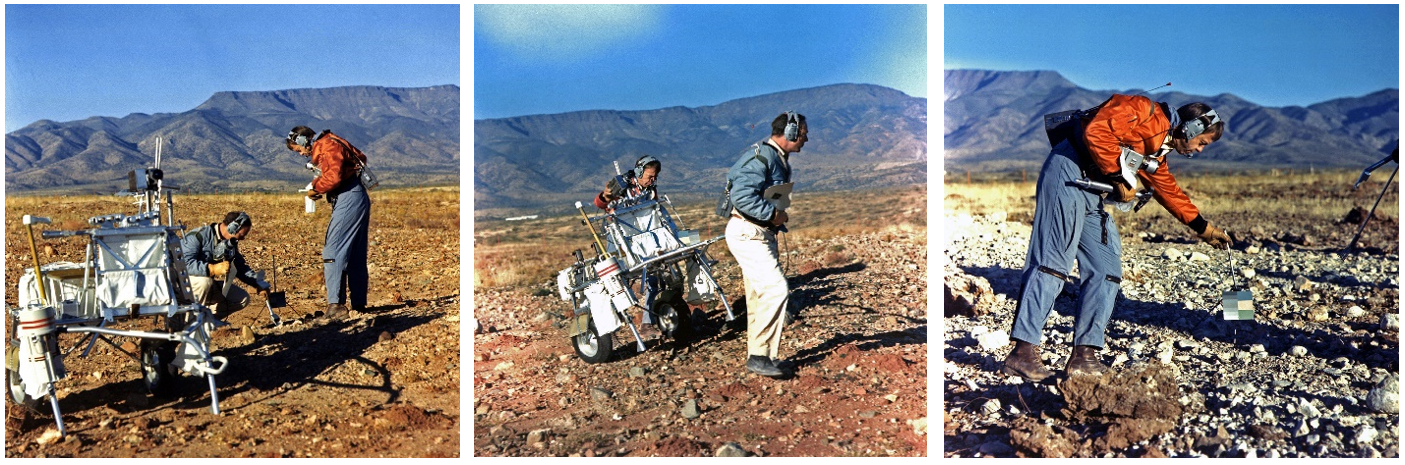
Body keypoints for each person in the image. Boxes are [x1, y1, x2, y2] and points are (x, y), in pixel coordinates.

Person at [1002, 95, 1231, 382]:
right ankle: (1022, 353)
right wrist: (1118, 176)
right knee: (1053, 261)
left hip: (1091, 190)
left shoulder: (1158, 149)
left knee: (1106, 269)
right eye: (1202, 143)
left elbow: (1168, 191)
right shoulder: (1141, 110)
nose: (1199, 150)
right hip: (1068, 172)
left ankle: (1084, 357)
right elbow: (1096, 130)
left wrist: (1204, 229)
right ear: (1192, 128)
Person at [724, 111, 807, 378]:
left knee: (759, 297)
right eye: (803, 134)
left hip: (757, 233)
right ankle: (759, 357)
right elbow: (741, 195)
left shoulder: (773, 156)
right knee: (776, 289)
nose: (806, 139)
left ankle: (760, 356)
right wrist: (772, 215)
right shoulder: (764, 156)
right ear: (791, 133)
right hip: (749, 232)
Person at [286, 126, 371, 320]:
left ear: (303, 140)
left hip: (348, 197)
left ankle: (337, 305)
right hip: (356, 196)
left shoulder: (327, 146)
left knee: (333, 250)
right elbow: (360, 158)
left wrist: (316, 188)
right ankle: (359, 303)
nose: (301, 154)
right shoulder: (333, 142)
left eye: (299, 150)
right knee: (355, 253)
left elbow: (333, 177)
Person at [181, 211, 271, 314]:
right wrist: (211, 269)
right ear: (232, 228)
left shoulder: (230, 243)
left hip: (204, 287)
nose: (243, 238)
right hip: (182, 286)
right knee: (205, 282)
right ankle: (190, 323)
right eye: (242, 234)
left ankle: (208, 321)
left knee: (240, 298)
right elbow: (183, 265)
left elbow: (239, 267)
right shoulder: (198, 236)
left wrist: (258, 282)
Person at [593, 155, 660, 210]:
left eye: (655, 176)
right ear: (639, 172)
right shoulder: (623, 185)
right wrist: (605, 197)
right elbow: (599, 204)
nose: (653, 179)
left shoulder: (651, 190)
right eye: (650, 177)